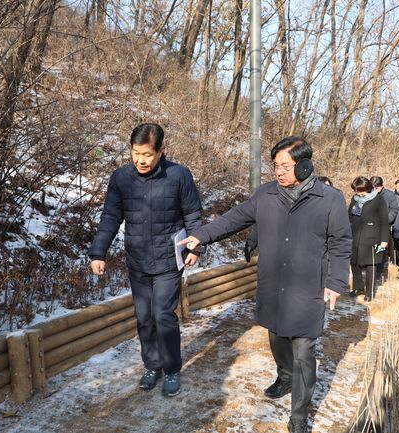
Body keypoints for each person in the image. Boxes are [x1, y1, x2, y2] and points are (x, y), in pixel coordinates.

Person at [180, 136, 352, 433]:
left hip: (308, 287)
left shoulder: (330, 199)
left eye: (285, 166)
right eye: (276, 166)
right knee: (277, 338)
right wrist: (202, 236)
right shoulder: (266, 194)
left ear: (304, 165)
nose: (279, 172)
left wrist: (336, 281)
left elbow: (341, 242)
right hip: (273, 285)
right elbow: (234, 219)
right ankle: (284, 377)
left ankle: (298, 416)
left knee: (304, 353)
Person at [87, 123, 203, 397]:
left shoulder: (179, 175)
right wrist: (98, 252)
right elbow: (110, 217)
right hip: (137, 260)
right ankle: (152, 365)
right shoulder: (121, 178)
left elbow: (193, 214)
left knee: (162, 314)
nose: (141, 160)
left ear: (160, 151)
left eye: (147, 154)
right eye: (136, 153)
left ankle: (171, 368)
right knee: (144, 317)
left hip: (168, 260)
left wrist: (195, 247)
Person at [244, 175, 335, 262]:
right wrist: (250, 243)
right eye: (323, 187)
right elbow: (265, 222)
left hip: (319, 258)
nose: (326, 191)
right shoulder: (300, 205)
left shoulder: (332, 209)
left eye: (328, 187)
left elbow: (337, 238)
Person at [348, 177, 389, 301]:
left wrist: (384, 240)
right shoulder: (355, 199)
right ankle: (358, 287)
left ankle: (369, 292)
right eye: (356, 190)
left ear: (368, 188)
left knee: (371, 265)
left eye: (361, 191)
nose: (358, 193)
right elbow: (349, 215)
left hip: (372, 237)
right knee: (354, 263)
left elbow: (384, 221)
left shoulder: (378, 199)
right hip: (355, 236)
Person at [370, 176, 399, 283]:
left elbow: (394, 209)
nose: (375, 190)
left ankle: (378, 271)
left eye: (377, 188)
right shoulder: (368, 193)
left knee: (381, 249)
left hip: (383, 226)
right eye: (373, 188)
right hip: (370, 225)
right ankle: (370, 268)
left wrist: (386, 220)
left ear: (382, 186)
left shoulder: (390, 195)